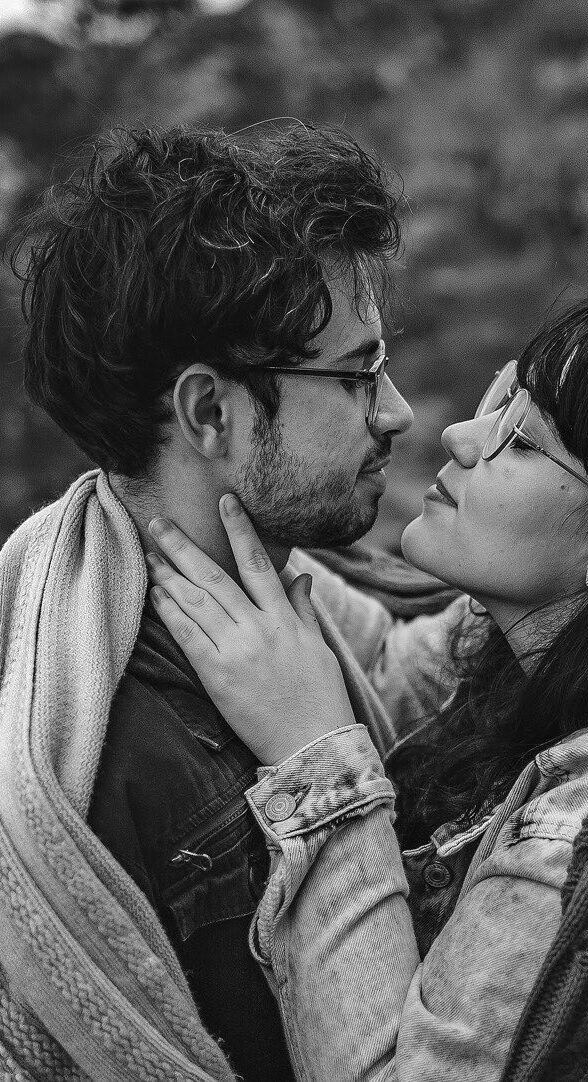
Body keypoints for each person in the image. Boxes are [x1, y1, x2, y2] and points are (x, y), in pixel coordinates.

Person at [147, 298, 588, 1080]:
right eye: (501, 400)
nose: (462, 436)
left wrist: (315, 754)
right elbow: (365, 648)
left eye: (522, 441)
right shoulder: (539, 653)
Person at [0, 122, 463, 1081]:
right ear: (211, 412)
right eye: (355, 374)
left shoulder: (299, 606)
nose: (396, 412)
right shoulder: (153, 769)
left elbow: (394, 668)